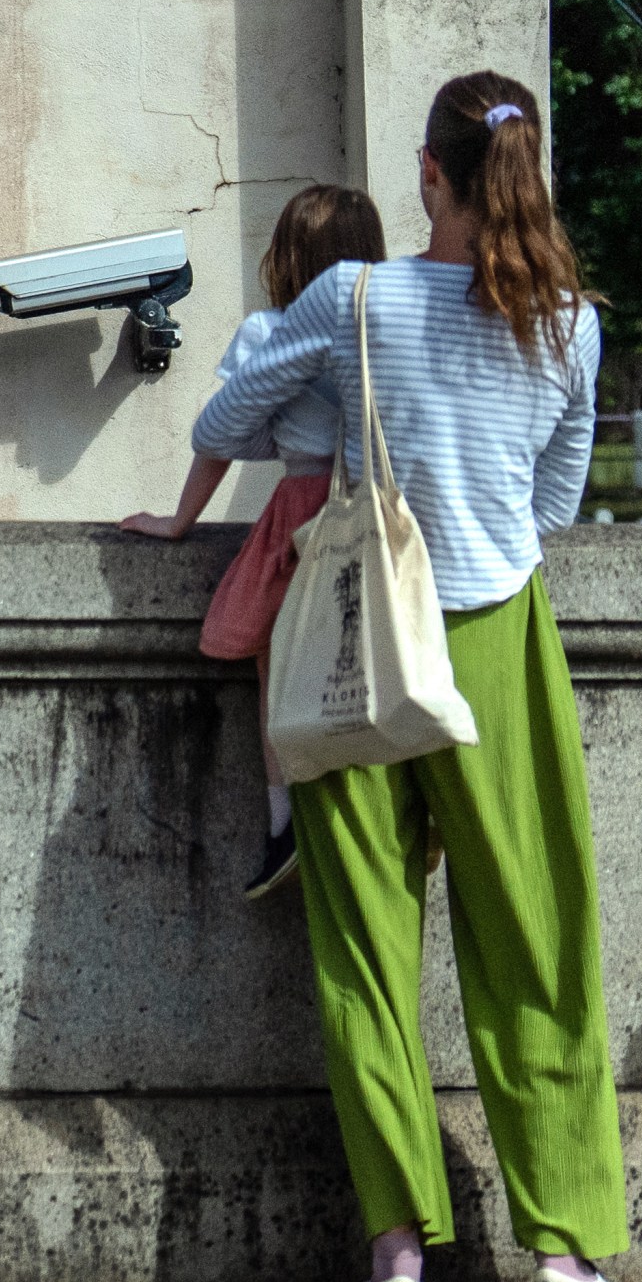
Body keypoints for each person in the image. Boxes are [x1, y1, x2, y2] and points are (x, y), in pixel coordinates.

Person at [188, 73, 637, 1282]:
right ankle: (559, 1253)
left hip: (352, 646)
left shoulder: (354, 295)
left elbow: (225, 416)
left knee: (363, 952)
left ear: (426, 178)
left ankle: (395, 1258)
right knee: (534, 945)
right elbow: (551, 506)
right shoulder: (566, 323)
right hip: (494, 641)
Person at [120, 182, 391, 899]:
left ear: (288, 258)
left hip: (305, 508)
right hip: (384, 511)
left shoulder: (271, 334)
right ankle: (391, 810)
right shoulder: (388, 328)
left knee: (282, 671)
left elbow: (222, 440)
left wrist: (179, 520)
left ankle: (285, 826)